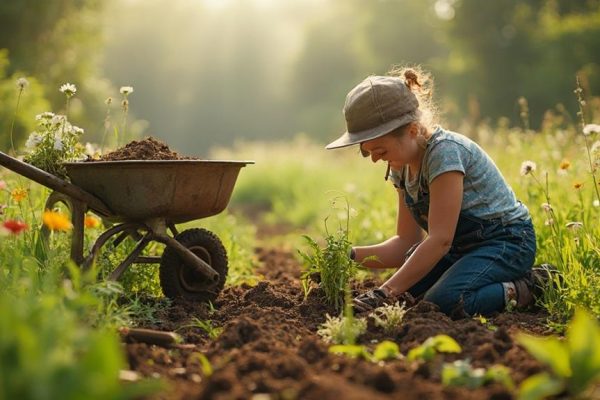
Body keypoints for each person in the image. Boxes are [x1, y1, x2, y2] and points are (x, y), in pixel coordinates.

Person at [326, 66, 551, 316]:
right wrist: (348, 255)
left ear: (412, 130)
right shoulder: (400, 166)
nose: (375, 160)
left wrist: (383, 292)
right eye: (368, 152)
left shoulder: (445, 154)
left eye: (380, 151)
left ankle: (533, 284)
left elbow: (440, 240)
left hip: (506, 242)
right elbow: (405, 243)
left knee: (444, 301)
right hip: (461, 249)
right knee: (410, 294)